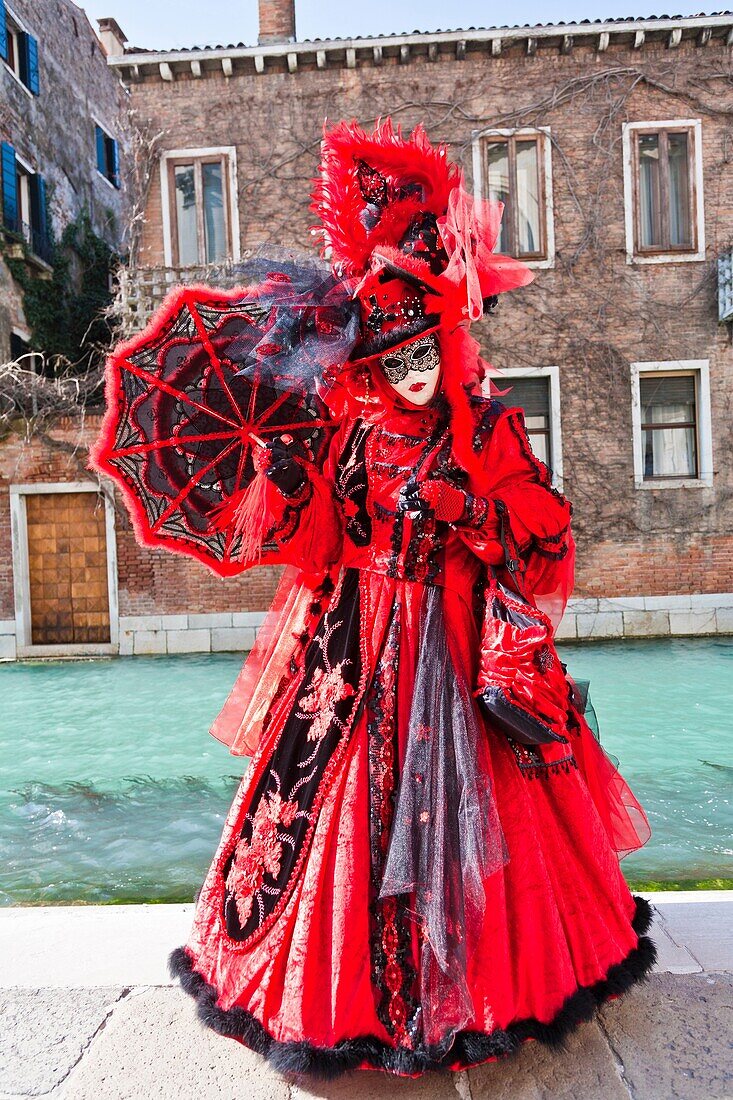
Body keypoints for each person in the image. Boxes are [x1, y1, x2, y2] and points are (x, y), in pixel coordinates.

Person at [164, 119, 655, 1078]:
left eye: (422, 352)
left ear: (446, 337)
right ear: (367, 368)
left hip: (461, 647)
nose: (412, 373)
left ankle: (494, 981)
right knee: (327, 815)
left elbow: (543, 529)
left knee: (492, 818)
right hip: (354, 650)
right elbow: (311, 547)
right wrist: (287, 477)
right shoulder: (351, 437)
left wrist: (470, 508)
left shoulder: (488, 427)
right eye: (391, 363)